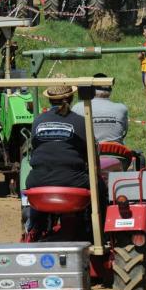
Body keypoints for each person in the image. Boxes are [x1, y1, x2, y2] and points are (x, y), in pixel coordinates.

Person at [25, 84, 105, 241]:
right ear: (71, 97)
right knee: (100, 187)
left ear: (49, 99)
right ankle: (99, 233)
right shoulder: (81, 122)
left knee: (40, 181)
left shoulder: (37, 121)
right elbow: (91, 156)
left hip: (37, 183)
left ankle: (35, 227)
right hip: (73, 182)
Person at [72, 73, 129, 144]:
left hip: (88, 154)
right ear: (110, 90)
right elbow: (124, 132)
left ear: (91, 90)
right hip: (115, 153)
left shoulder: (77, 108)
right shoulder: (121, 109)